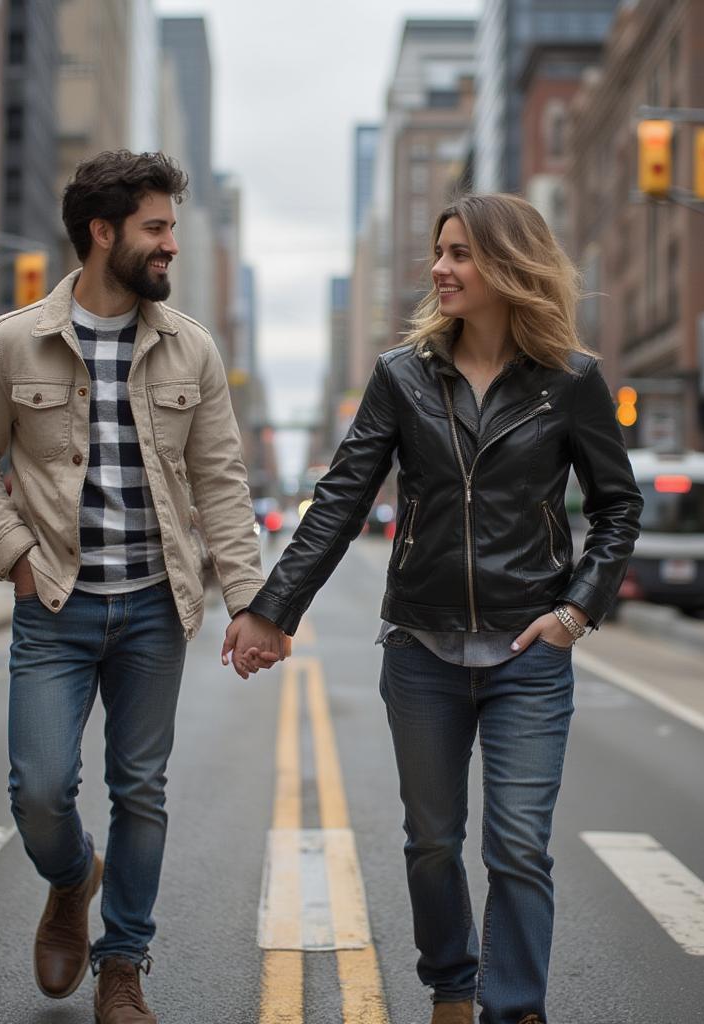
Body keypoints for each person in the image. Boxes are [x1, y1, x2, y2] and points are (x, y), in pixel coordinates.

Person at [227, 194, 643, 1024]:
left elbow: (618, 507)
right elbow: (341, 500)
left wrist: (573, 613)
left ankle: (514, 1005)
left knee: (520, 846)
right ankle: (452, 984)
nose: (440, 268)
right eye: (438, 252)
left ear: (508, 266)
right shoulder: (401, 377)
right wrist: (274, 608)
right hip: (421, 650)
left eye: (459, 255)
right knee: (432, 842)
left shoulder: (571, 382)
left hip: (530, 649)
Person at [0, 149, 285, 1024]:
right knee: (43, 789)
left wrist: (250, 601)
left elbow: (221, 483)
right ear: (104, 233)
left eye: (173, 228)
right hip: (52, 606)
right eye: (156, 229)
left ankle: (123, 963)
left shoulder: (190, 348)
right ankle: (71, 878)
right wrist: (13, 551)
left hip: (153, 610)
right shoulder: (14, 339)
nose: (169, 245)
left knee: (142, 788)